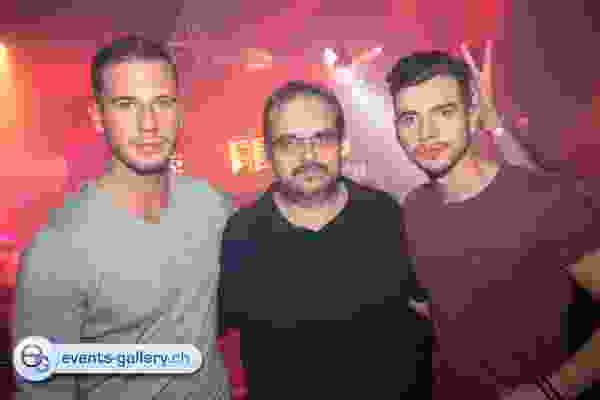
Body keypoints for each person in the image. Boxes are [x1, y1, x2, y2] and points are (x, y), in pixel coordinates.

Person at [12, 36, 232, 399]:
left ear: (179, 110)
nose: (148, 123)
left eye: (162, 102)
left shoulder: (212, 207)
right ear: (97, 117)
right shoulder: (57, 249)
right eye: (126, 105)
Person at [386, 43, 600, 399]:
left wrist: (557, 388)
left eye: (443, 112)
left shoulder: (546, 198)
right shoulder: (414, 208)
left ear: (472, 116)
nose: (425, 132)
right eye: (410, 118)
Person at [219, 80, 433, 399]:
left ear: (343, 145)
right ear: (268, 153)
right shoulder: (240, 235)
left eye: (322, 138)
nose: (308, 155)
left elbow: (429, 308)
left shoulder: (384, 214)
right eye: (290, 142)